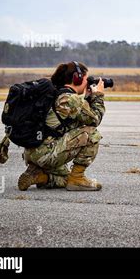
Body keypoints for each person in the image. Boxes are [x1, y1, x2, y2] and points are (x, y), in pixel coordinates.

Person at [17, 61, 106, 191]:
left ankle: (40, 176)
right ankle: (77, 177)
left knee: (64, 179)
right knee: (92, 133)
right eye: (86, 79)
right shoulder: (70, 98)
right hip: (47, 154)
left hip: (32, 152)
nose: (88, 82)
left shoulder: (53, 93)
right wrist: (98, 95)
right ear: (77, 78)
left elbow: (76, 120)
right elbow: (95, 119)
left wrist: (87, 98)